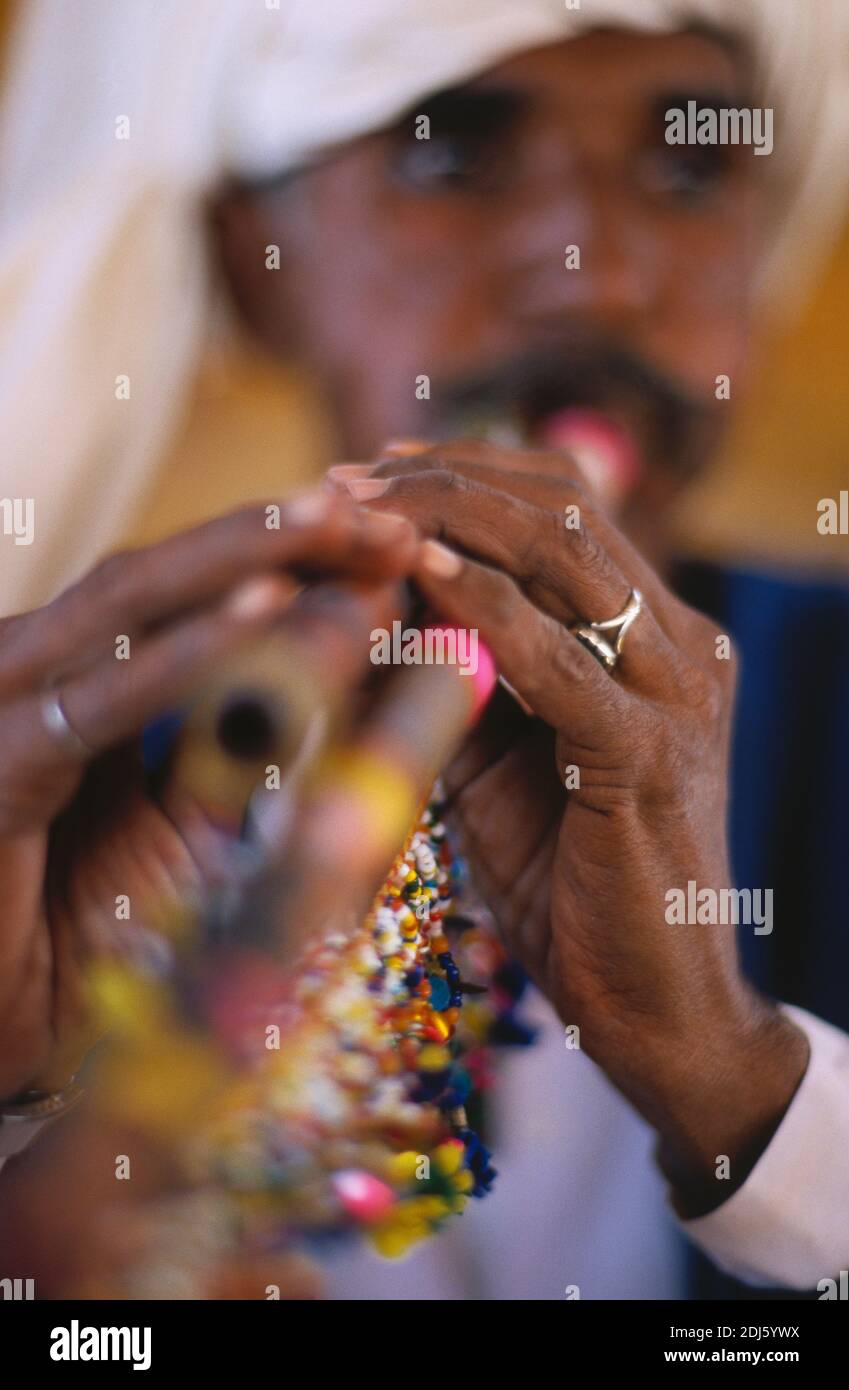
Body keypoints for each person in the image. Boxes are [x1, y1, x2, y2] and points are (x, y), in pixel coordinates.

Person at [1, 0, 848, 1300]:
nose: (596, 272)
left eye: (690, 169)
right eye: (449, 156)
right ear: (252, 260)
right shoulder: (80, 802)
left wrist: (741, 1088)